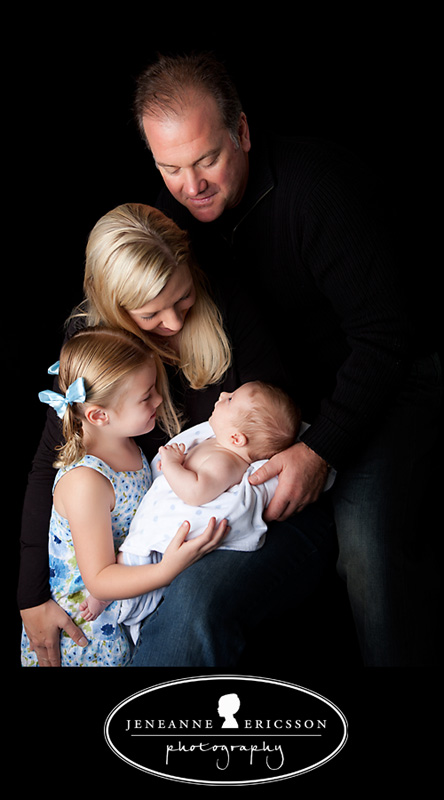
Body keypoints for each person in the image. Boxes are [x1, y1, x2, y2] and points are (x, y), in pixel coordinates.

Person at [131, 52, 443, 666]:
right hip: (273, 411)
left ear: (242, 132)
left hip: (382, 381)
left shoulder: (318, 189)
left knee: (368, 559)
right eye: (170, 168)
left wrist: (319, 447)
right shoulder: (174, 220)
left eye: (207, 159)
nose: (191, 186)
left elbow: (386, 338)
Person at [19, 202, 336, 666]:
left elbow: (275, 423)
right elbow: (50, 462)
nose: (173, 322)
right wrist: (31, 596)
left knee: (192, 604)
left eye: (183, 299)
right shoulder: (95, 355)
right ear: (115, 308)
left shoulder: (225, 300)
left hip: (257, 516)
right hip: (154, 547)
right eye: (151, 314)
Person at [20, 327, 228, 667]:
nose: (159, 400)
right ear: (99, 416)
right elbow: (100, 580)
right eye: (147, 397)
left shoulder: (125, 442)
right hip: (87, 638)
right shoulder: (86, 481)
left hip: (125, 608)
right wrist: (168, 569)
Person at [97, 382, 304, 640]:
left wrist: (171, 465)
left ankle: (109, 600)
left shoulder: (226, 462)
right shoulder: (216, 443)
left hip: (166, 544)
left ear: (237, 439)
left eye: (230, 399)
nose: (223, 394)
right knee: (121, 564)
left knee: (129, 562)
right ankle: (108, 596)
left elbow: (195, 492)